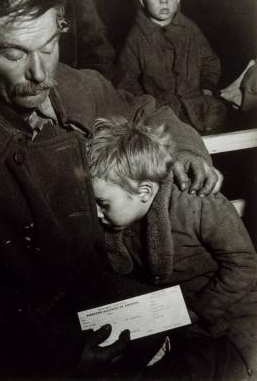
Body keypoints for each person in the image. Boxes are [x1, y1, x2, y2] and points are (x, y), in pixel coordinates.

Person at [0, 0, 222, 378]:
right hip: (31, 339)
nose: (38, 72)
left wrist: (187, 152)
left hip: (109, 296)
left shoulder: (77, 84)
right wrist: (53, 358)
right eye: (14, 55)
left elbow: (144, 112)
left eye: (49, 46)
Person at [87, 114, 257, 380]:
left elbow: (245, 264)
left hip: (229, 311)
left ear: (143, 192)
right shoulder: (119, 220)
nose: (96, 213)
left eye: (103, 203)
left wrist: (197, 311)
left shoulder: (196, 202)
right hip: (174, 318)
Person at [114, 0, 228, 133]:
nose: (164, 1)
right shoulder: (135, 39)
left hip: (198, 106)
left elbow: (210, 61)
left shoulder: (189, 29)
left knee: (217, 120)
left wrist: (207, 88)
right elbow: (126, 84)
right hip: (159, 113)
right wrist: (147, 107)